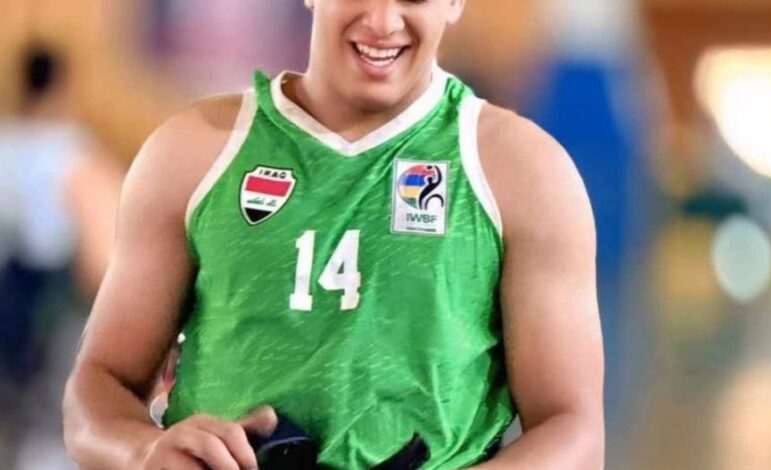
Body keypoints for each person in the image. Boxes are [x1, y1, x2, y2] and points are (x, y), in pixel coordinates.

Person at [63, 0, 604, 468]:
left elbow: (574, 431)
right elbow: (99, 386)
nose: (383, 21)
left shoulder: (523, 172)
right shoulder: (193, 151)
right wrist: (143, 452)